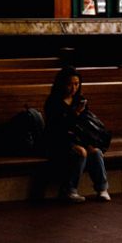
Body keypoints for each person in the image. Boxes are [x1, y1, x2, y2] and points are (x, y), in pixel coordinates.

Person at [43, 66, 110, 203]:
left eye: (76, 84)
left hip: (77, 138)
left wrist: (90, 143)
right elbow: (57, 128)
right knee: (81, 152)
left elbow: (85, 126)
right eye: (69, 84)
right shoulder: (53, 102)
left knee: (95, 151)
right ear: (61, 84)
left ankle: (102, 189)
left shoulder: (79, 100)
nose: (73, 88)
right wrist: (75, 114)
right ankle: (69, 190)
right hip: (58, 140)